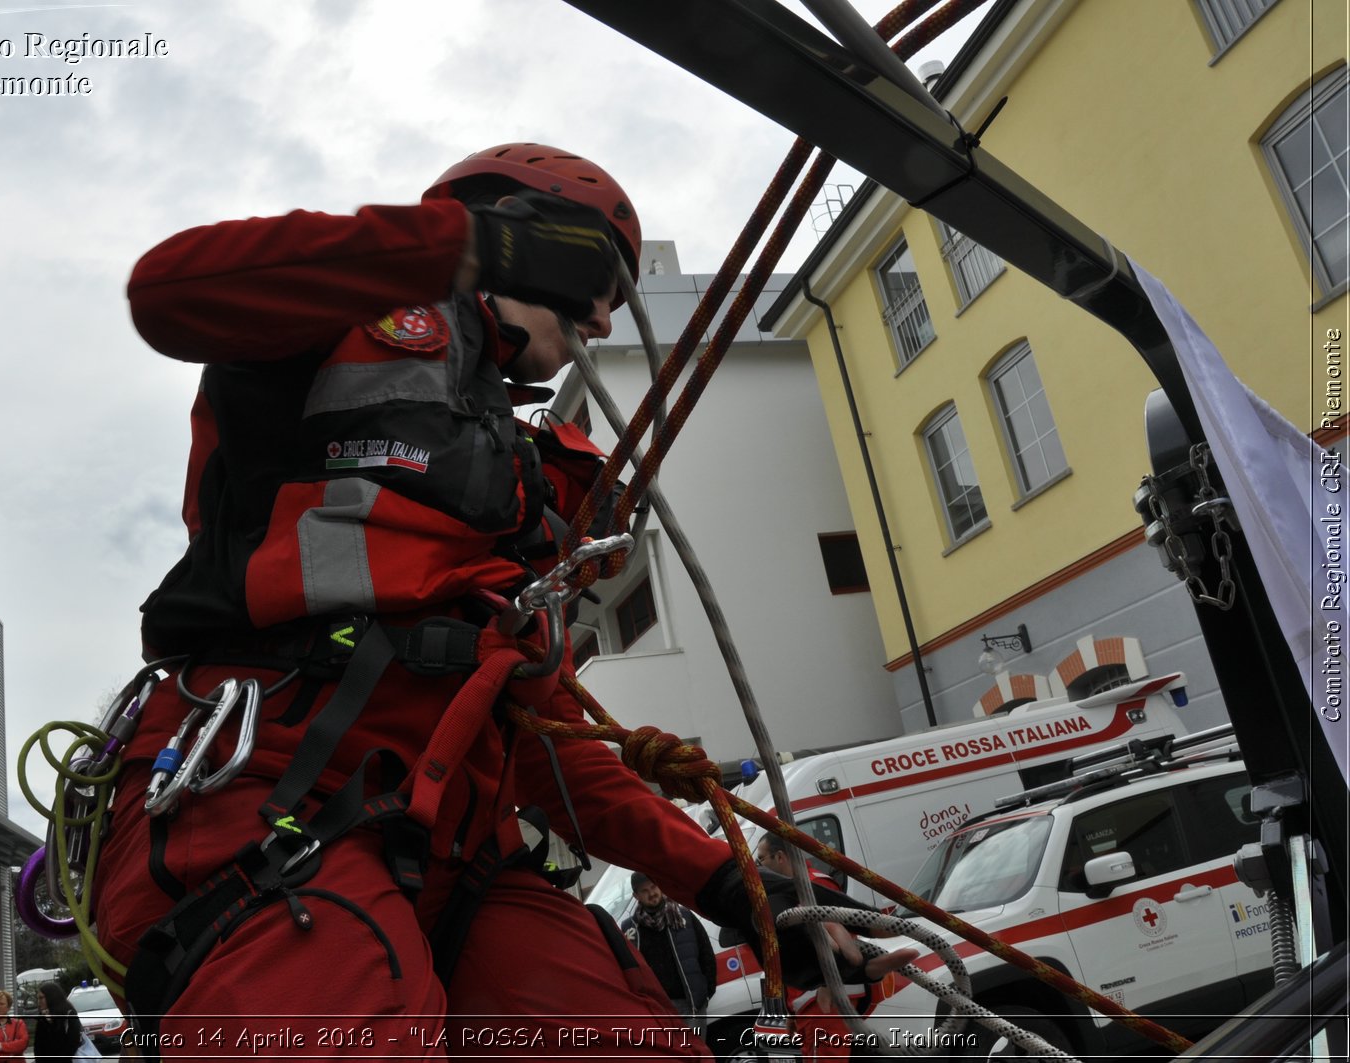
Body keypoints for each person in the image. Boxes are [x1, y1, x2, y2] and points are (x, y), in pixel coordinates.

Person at [91, 141, 917, 1058]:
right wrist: (462, 246)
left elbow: (550, 745)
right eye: (596, 277)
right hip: (260, 799)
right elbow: (169, 291)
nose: (605, 318)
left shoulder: (521, 486)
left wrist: (737, 891)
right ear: (524, 233)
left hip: (455, 851)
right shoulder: (339, 314)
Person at [755, 835, 881, 1061]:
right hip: (810, 1001)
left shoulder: (815, 887)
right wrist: (790, 1010)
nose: (758, 866)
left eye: (761, 859)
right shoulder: (791, 892)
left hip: (824, 1002)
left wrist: (827, 983)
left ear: (781, 857)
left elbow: (842, 935)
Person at [623, 872, 716, 1033]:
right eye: (644, 891)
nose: (652, 893)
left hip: (692, 1005)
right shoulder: (630, 929)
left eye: (653, 887)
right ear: (636, 896)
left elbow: (706, 953)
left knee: (698, 1055)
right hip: (657, 1010)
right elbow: (626, 969)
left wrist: (706, 992)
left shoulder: (683, 916)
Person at [31, 984, 80, 1063]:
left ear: (51, 997)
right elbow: (38, 1045)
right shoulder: (43, 1016)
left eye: (41, 998)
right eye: (38, 998)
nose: (39, 1001)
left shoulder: (68, 1014)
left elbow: (73, 1042)